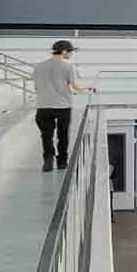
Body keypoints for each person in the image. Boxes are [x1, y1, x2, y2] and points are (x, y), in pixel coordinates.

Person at [31, 40, 96, 174]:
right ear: (64, 51)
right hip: (63, 106)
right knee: (63, 135)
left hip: (43, 106)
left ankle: (48, 161)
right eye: (70, 52)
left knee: (46, 135)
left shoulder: (39, 66)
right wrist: (89, 87)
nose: (71, 54)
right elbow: (76, 87)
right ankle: (62, 162)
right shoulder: (68, 67)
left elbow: (36, 87)